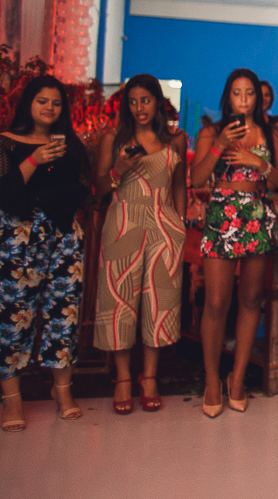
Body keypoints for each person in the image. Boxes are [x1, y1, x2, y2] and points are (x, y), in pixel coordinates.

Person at [191, 68, 278, 418]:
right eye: (237, 93)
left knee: (251, 300)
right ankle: (212, 380)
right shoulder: (211, 132)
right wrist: (219, 146)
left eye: (250, 93)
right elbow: (197, 178)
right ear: (227, 97)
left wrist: (258, 162)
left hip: (258, 217)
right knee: (217, 302)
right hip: (222, 214)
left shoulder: (271, 132)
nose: (245, 99)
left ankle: (237, 380)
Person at [93, 74, 188, 414]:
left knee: (159, 302)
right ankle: (122, 378)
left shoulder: (175, 139)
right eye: (132, 102)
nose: (138, 108)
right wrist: (118, 169)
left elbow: (180, 186)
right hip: (123, 221)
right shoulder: (112, 139)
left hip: (164, 224)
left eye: (145, 100)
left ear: (157, 102)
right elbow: (101, 188)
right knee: (119, 299)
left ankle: (149, 377)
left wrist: (180, 222)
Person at [0, 76, 90, 431]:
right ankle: (12, 400)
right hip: (19, 236)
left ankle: (63, 392)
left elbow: (83, 182)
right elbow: (5, 191)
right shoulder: (6, 143)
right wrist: (35, 159)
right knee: (14, 316)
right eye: (42, 101)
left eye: (56, 102)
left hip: (64, 233)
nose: (50, 108)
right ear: (29, 104)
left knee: (63, 314)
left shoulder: (70, 143)